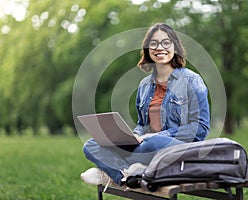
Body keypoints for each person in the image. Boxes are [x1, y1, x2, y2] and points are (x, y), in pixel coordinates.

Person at [80, 23, 210, 188]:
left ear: (175, 47)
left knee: (153, 144)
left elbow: (200, 128)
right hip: (145, 148)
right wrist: (133, 136)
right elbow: (143, 125)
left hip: (178, 147)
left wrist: (156, 136)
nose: (159, 48)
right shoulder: (144, 86)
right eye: (154, 44)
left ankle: (111, 173)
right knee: (91, 145)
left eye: (166, 43)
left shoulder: (192, 80)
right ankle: (127, 175)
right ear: (147, 50)